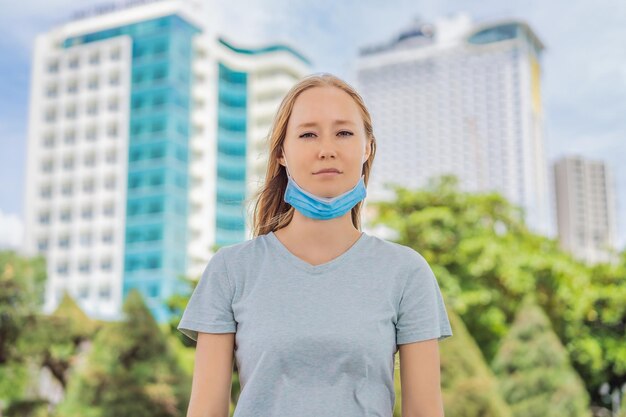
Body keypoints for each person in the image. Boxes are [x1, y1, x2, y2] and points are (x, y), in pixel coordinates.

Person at [177, 73, 453, 417]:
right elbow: (205, 411)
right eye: (308, 134)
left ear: (367, 147)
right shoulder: (231, 269)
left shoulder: (407, 271)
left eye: (344, 133)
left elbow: (426, 411)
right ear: (281, 152)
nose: (327, 150)